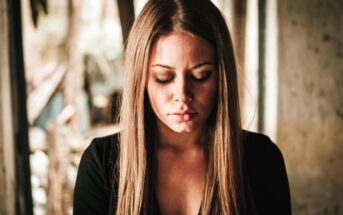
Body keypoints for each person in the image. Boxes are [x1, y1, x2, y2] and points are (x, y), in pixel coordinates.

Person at [73, 0, 291, 214]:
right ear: (140, 80)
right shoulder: (100, 164)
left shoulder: (262, 160)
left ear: (222, 77)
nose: (183, 95)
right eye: (163, 77)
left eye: (200, 76)